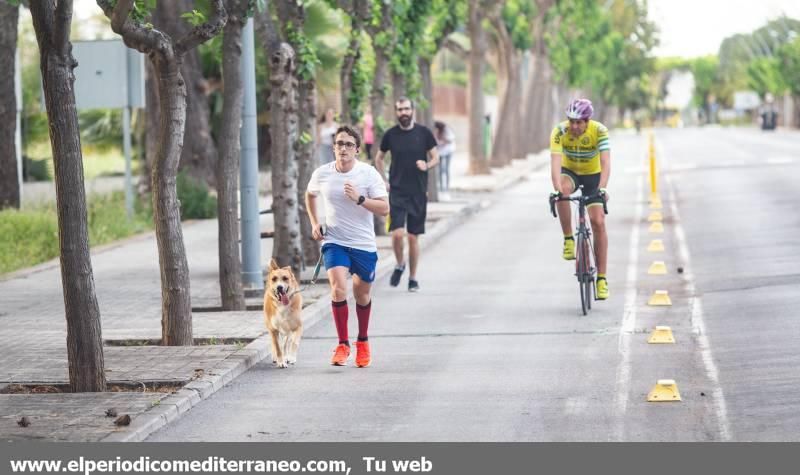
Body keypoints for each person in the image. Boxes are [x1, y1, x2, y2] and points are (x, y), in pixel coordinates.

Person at [306, 125, 389, 367]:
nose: (343, 148)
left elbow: (385, 209)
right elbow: (310, 195)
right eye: (339, 144)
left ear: (357, 150)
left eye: (349, 145)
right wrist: (314, 222)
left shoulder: (368, 174)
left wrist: (360, 199)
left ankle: (362, 342)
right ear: (333, 147)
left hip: (363, 243)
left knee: (361, 295)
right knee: (338, 288)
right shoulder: (322, 173)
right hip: (335, 241)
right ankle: (343, 344)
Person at [375, 97, 439, 292]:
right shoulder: (390, 135)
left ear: (412, 110)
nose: (403, 112)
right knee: (396, 235)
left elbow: (436, 156)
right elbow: (379, 158)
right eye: (399, 109)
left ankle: (412, 278)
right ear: (396, 112)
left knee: (412, 237)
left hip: (418, 192)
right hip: (397, 191)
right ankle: (400, 263)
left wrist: (426, 165)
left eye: (406, 109)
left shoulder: (424, 133)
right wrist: (383, 180)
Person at [549, 98, 611, 300]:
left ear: (587, 121)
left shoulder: (599, 131)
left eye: (579, 122)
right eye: (571, 121)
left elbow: (605, 162)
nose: (574, 126)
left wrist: (602, 188)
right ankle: (568, 239)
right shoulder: (559, 132)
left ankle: (601, 279)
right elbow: (555, 165)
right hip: (570, 173)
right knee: (563, 191)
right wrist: (557, 190)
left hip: (593, 176)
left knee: (598, 221)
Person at [434, 120, 455, 193]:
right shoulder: (436, 131)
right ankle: (440, 186)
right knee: (439, 170)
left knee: (446, 169)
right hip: (440, 152)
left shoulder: (447, 130)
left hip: (448, 151)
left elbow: (451, 139)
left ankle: (446, 186)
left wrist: (443, 141)